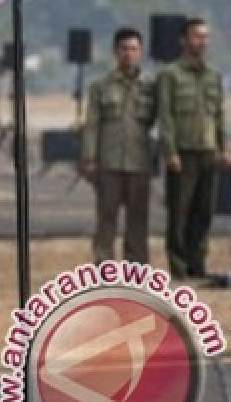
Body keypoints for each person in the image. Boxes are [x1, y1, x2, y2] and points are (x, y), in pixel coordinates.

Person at [157, 17, 229, 280]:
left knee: (204, 211)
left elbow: (219, 113)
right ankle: (179, 267)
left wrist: (225, 147)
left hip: (208, 151)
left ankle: (198, 264)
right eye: (197, 36)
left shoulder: (213, 75)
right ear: (184, 40)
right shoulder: (170, 75)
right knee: (179, 213)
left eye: (206, 37)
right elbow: (165, 116)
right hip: (183, 153)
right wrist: (170, 152)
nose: (202, 42)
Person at [79, 28, 155, 264]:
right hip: (108, 163)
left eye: (133, 49)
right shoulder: (100, 87)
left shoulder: (151, 88)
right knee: (106, 219)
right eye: (124, 49)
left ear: (141, 52)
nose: (129, 54)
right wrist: (89, 159)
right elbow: (91, 125)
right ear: (115, 52)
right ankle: (104, 268)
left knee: (138, 221)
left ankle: (137, 270)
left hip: (139, 163)